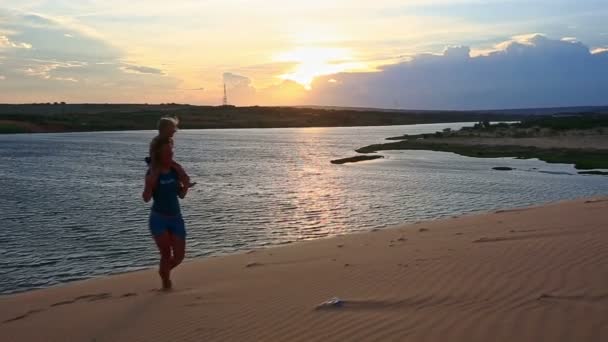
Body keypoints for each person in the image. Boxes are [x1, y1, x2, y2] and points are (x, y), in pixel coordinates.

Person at [143, 136, 189, 290]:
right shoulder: (153, 173)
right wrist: (149, 184)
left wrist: (186, 186)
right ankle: (166, 283)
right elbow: (146, 198)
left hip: (176, 218)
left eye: (171, 152)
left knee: (179, 257)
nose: (171, 156)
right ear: (158, 155)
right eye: (167, 153)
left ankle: (163, 273)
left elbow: (181, 195)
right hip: (158, 220)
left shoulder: (175, 170)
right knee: (166, 254)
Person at [146, 116, 191, 188]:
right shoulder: (156, 141)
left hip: (167, 162)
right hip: (157, 163)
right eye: (173, 128)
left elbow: (169, 154)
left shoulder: (170, 140)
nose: (175, 130)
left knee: (179, 168)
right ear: (165, 129)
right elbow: (154, 157)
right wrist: (154, 169)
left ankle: (185, 183)